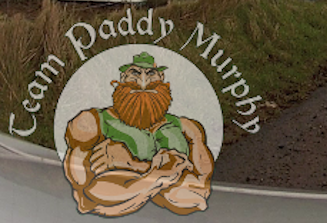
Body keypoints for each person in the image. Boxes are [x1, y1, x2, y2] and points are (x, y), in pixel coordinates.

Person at [62, 52, 214, 217]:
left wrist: (131, 165)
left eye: (151, 74)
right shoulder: (92, 122)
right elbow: (88, 195)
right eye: (134, 73)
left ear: (162, 77)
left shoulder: (188, 128)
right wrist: (167, 173)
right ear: (122, 77)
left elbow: (200, 192)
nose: (143, 81)